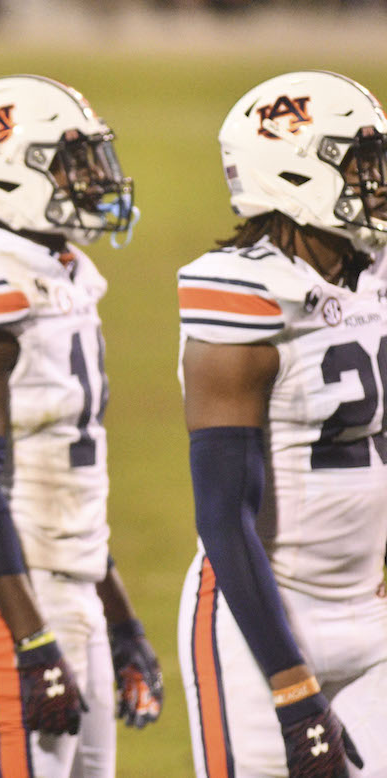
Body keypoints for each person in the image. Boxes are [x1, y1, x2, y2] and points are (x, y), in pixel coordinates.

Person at [0, 76, 163, 778]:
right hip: (9, 590)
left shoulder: (68, 275)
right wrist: (32, 638)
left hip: (70, 580)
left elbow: (66, 480)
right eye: (69, 162)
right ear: (8, 174)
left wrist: (121, 616)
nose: (92, 179)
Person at [177, 70, 387, 777]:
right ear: (297, 174)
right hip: (259, 618)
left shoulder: (376, 273)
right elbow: (222, 511)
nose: (377, 181)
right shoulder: (242, 292)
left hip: (372, 612)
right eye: (360, 166)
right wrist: (294, 696)